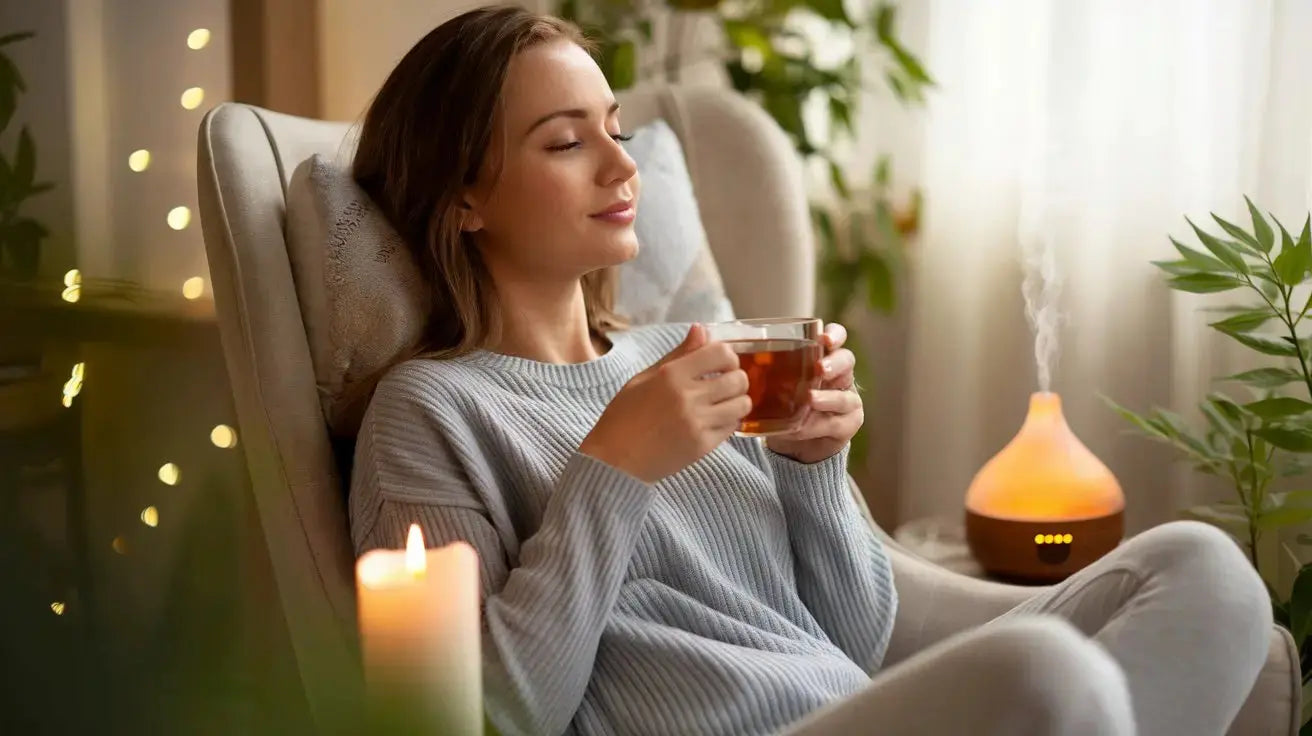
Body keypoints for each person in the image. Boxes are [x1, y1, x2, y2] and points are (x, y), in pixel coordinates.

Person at [348, 5, 1272, 735]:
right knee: (1047, 676)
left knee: (1206, 572)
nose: (621, 167)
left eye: (617, 131)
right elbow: (490, 717)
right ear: (462, 197)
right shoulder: (431, 410)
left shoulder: (690, 356)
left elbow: (859, 640)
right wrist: (613, 469)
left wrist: (812, 470)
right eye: (566, 141)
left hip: (850, 710)